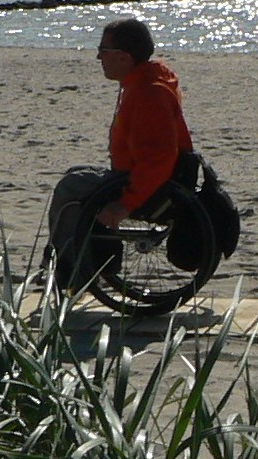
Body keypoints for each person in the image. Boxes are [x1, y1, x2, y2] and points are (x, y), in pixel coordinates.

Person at [47, 18, 196, 276]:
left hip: (149, 188)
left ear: (124, 58)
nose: (98, 57)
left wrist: (125, 204)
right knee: (75, 174)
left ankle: (70, 269)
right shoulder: (143, 80)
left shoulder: (148, 93)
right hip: (136, 175)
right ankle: (92, 261)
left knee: (69, 188)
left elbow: (158, 158)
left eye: (103, 51)